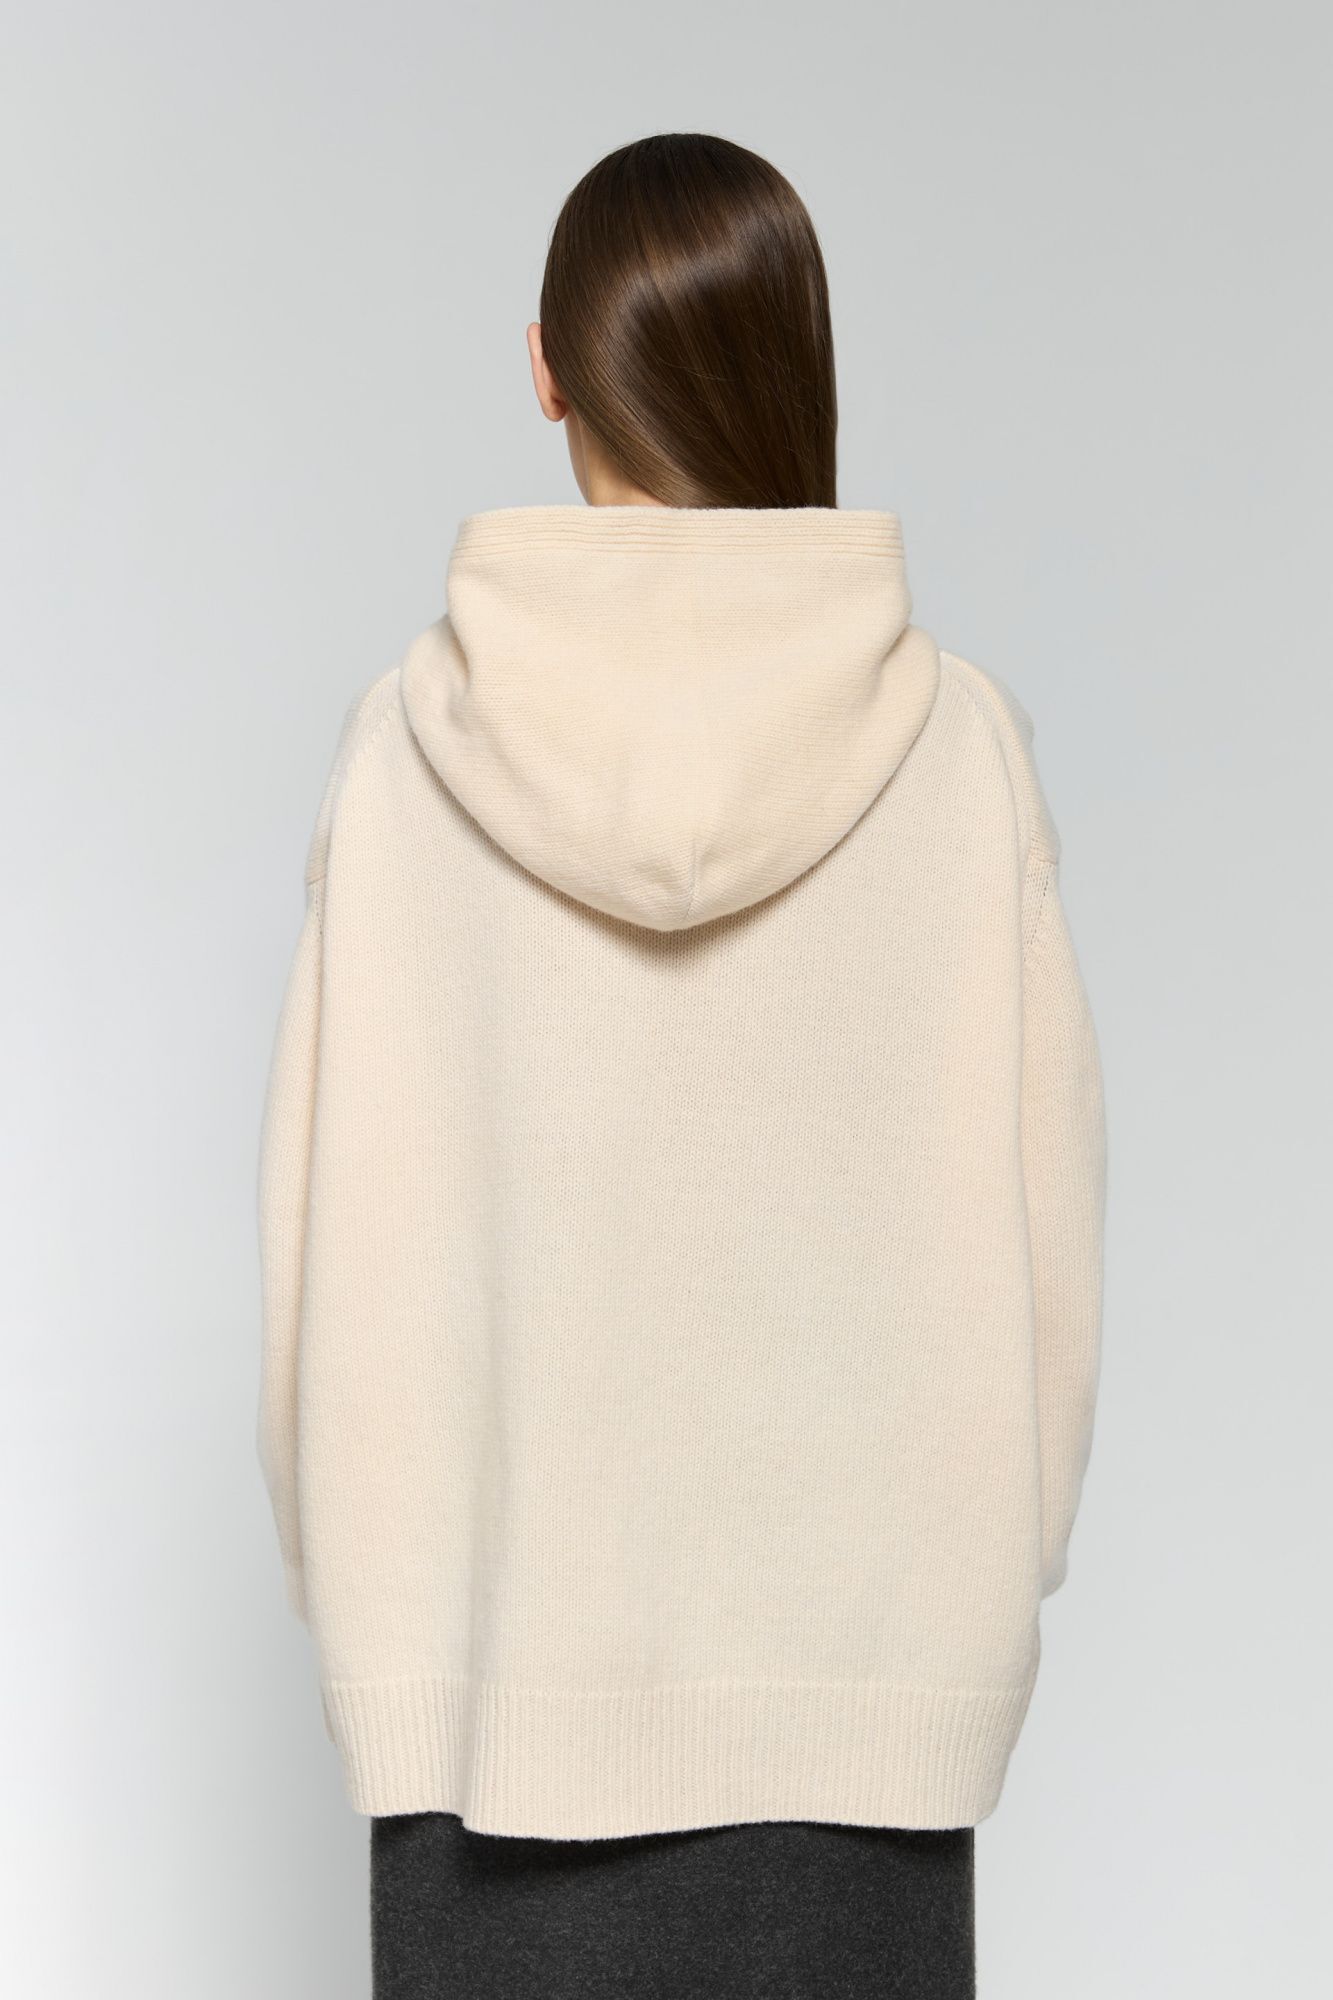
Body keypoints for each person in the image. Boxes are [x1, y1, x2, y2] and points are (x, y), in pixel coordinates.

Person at [256, 131, 1107, 2000]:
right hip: (867, 1714)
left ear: (545, 369)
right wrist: (970, 1595)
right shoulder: (958, 751)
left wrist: (377, 1623)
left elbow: (316, 1257)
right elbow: (1052, 1265)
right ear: (793, 364)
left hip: (487, 1705)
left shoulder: (404, 752)